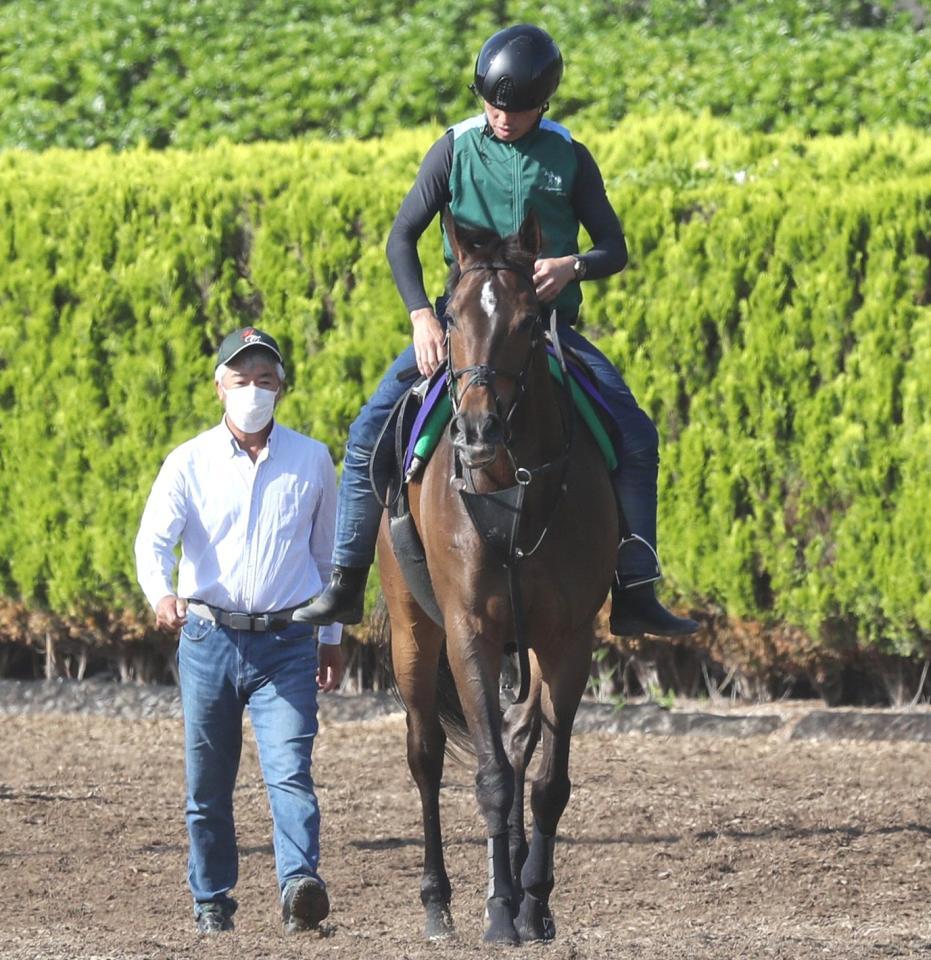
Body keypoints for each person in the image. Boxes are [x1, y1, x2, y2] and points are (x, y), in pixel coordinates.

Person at [304, 24, 697, 638]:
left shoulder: (571, 155)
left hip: (545, 331)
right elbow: (401, 235)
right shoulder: (454, 148)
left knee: (637, 435)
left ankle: (637, 586)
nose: (502, 118)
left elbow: (615, 247)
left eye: (516, 109)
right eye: (492, 104)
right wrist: (420, 317)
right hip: (461, 331)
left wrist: (575, 265)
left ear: (544, 103)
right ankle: (346, 582)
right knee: (364, 435)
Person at [134, 326, 344, 935]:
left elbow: (328, 557)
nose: (253, 390)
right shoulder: (189, 461)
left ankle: (299, 884)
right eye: (242, 379)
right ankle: (212, 898)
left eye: (265, 380)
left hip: (287, 643)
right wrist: (161, 593)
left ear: (281, 389)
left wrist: (331, 640)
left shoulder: (312, 460)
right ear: (219, 387)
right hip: (208, 638)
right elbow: (153, 541)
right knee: (207, 783)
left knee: (290, 770)